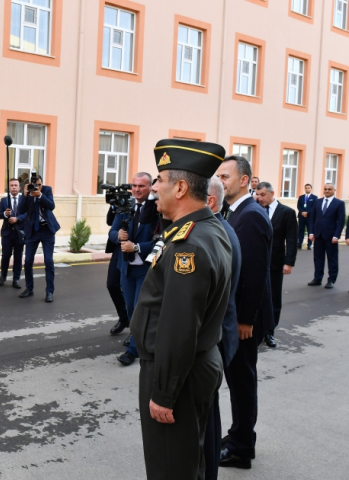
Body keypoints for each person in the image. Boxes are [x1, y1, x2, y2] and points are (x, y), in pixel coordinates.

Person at [131, 139, 232, 479]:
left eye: (160, 180)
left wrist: (164, 392)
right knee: (188, 461)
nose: (155, 188)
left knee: (170, 467)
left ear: (181, 187)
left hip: (176, 373)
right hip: (192, 366)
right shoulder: (208, 229)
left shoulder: (189, 244)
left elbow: (178, 325)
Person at [216, 155, 273, 470]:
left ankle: (241, 448)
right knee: (238, 380)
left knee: (241, 381)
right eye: (220, 176)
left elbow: (253, 274)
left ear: (244, 180)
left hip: (243, 321)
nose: (221, 181)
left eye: (226, 176)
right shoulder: (237, 212)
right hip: (239, 316)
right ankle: (238, 434)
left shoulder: (250, 215)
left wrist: (245, 320)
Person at [203, 175, 241, 480]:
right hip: (217, 336)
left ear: (210, 201)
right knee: (208, 412)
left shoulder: (217, 234)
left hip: (213, 339)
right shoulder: (220, 229)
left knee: (206, 416)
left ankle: (206, 471)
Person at [108, 173, 156, 366]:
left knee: (138, 309)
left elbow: (158, 241)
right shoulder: (125, 207)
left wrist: (136, 247)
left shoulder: (156, 209)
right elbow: (112, 231)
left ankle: (133, 351)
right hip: (126, 268)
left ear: (150, 187)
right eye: (134, 186)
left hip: (145, 269)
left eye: (141, 186)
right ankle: (137, 335)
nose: (136, 189)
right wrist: (117, 235)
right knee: (129, 308)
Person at [256, 182, 298, 348]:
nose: (259, 198)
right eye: (258, 195)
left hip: (276, 263)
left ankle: (270, 332)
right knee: (256, 296)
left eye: (263, 195)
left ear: (272, 193)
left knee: (273, 298)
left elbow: (292, 239)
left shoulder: (286, 212)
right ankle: (256, 330)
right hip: (257, 262)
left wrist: (289, 262)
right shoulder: (255, 210)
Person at [18, 175, 60, 302]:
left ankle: (49, 292)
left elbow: (51, 206)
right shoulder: (28, 192)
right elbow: (20, 210)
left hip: (47, 230)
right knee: (28, 261)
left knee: (48, 261)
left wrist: (40, 195)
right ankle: (29, 289)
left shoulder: (46, 190)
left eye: (39, 184)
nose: (37, 187)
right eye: (35, 185)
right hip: (32, 230)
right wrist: (25, 195)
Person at [308, 183, 345, 289]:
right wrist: (311, 232)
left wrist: (336, 235)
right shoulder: (317, 202)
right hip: (318, 235)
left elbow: (341, 221)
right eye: (325, 189)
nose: (327, 190)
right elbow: (312, 219)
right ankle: (317, 278)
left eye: (329, 189)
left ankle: (331, 280)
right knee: (318, 258)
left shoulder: (339, 203)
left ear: (334, 190)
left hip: (331, 236)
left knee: (332, 259)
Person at [0, 178, 26, 288]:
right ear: (9, 187)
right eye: (11, 185)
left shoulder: (24, 199)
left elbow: (27, 213)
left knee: (18, 257)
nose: (13, 187)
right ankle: (3, 276)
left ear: (19, 187)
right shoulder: (4, 200)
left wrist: (17, 218)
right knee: (5, 256)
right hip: (7, 233)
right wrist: (5, 213)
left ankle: (16, 279)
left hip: (19, 233)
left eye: (15, 185)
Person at [105, 201, 129, 335]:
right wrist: (114, 206)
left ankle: (135, 334)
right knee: (112, 284)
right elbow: (111, 225)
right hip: (120, 248)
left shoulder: (149, 205)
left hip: (138, 249)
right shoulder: (122, 205)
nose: (137, 189)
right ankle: (124, 318)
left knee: (133, 290)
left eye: (140, 186)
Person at [297, 184, 317, 249]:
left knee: (310, 230)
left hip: (310, 217)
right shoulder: (301, 197)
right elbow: (298, 206)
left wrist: (307, 212)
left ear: (311, 189)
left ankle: (309, 244)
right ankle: (299, 243)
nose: (307, 189)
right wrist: (302, 212)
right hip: (301, 216)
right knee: (301, 230)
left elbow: (314, 207)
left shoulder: (314, 197)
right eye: (306, 188)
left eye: (308, 188)